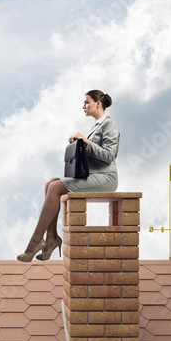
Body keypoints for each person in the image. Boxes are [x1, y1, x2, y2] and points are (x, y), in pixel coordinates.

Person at [17, 89, 119, 262]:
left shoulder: (109, 124)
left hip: (106, 178)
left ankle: (35, 241)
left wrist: (85, 142)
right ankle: (51, 239)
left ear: (98, 104)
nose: (83, 106)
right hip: (95, 174)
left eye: (86, 102)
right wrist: (79, 143)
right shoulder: (97, 125)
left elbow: (109, 155)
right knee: (50, 183)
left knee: (56, 187)